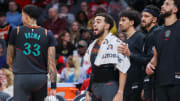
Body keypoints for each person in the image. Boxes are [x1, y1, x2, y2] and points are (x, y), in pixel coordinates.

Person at [6, 5, 57, 101]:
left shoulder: (16, 31)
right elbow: (51, 62)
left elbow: (9, 58)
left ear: (26, 16)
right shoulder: (47, 33)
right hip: (40, 78)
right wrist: (53, 86)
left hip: (22, 77)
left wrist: (17, 69)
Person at [85, 13, 130, 101]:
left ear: (106, 26)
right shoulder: (92, 45)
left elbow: (123, 69)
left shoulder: (116, 43)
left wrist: (120, 92)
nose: (94, 24)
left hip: (110, 86)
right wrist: (88, 90)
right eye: (94, 22)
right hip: (95, 87)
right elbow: (94, 70)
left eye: (98, 22)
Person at [146, 0, 180, 101]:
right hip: (160, 82)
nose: (162, 6)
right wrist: (150, 64)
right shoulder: (157, 32)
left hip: (177, 81)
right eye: (163, 4)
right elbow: (156, 55)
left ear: (175, 9)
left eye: (167, 4)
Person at [118, 10, 145, 101]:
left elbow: (146, 60)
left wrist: (130, 54)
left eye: (123, 20)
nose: (120, 23)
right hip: (126, 84)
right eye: (120, 20)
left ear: (132, 22)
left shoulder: (140, 38)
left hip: (138, 84)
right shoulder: (125, 42)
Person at [141, 5, 160, 101]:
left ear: (154, 19)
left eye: (146, 16)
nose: (143, 19)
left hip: (155, 80)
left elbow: (151, 59)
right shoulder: (149, 34)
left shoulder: (155, 33)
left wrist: (130, 54)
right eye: (142, 16)